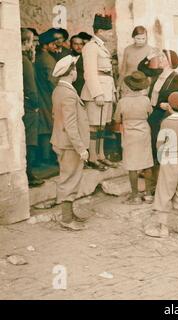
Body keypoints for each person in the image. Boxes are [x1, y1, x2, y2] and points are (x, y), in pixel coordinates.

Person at [138, 49, 178, 203]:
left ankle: (161, 189)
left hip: (162, 117)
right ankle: (152, 189)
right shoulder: (158, 73)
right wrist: (149, 55)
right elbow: (141, 67)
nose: (160, 58)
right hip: (152, 116)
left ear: (169, 62)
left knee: (159, 152)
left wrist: (168, 104)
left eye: (163, 57)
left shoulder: (176, 79)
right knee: (151, 151)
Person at [145, 92, 178, 238]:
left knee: (164, 193)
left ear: (170, 107)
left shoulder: (166, 122)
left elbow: (160, 143)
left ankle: (163, 228)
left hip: (170, 161)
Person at [51, 55, 90, 231]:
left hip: (62, 140)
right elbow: (70, 124)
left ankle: (69, 213)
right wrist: (81, 148)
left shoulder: (59, 90)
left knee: (70, 177)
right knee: (69, 179)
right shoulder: (68, 94)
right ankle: (66, 218)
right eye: (74, 69)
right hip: (69, 143)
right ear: (71, 72)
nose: (76, 73)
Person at [81, 14, 117, 171]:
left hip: (106, 92)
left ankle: (101, 155)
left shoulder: (101, 47)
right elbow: (89, 73)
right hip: (97, 93)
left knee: (102, 126)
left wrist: (112, 92)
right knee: (94, 127)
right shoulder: (90, 47)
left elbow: (108, 74)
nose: (111, 34)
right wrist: (97, 93)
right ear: (101, 31)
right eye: (109, 31)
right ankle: (92, 158)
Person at [113, 71, 153, 205]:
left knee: (132, 165)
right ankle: (148, 194)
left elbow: (117, 119)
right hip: (144, 132)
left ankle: (135, 195)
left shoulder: (122, 102)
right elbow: (149, 113)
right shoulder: (146, 100)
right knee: (147, 163)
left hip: (129, 133)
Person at [21, 28, 44, 187]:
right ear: (25, 42)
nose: (33, 45)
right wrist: (36, 105)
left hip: (23, 104)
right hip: (29, 107)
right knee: (30, 140)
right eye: (31, 41)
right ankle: (29, 175)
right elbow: (31, 88)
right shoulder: (25, 61)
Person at [34, 29, 58, 167]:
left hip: (41, 95)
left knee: (44, 127)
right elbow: (52, 81)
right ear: (46, 45)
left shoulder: (38, 57)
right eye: (53, 44)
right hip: (47, 97)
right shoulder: (48, 59)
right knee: (48, 127)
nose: (56, 46)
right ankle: (46, 158)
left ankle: (45, 157)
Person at [118, 26, 152, 95]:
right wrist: (118, 85)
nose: (141, 41)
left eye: (143, 38)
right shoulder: (127, 49)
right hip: (127, 84)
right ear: (133, 37)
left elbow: (152, 72)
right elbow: (123, 69)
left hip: (142, 85)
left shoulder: (150, 50)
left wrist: (148, 88)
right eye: (138, 38)